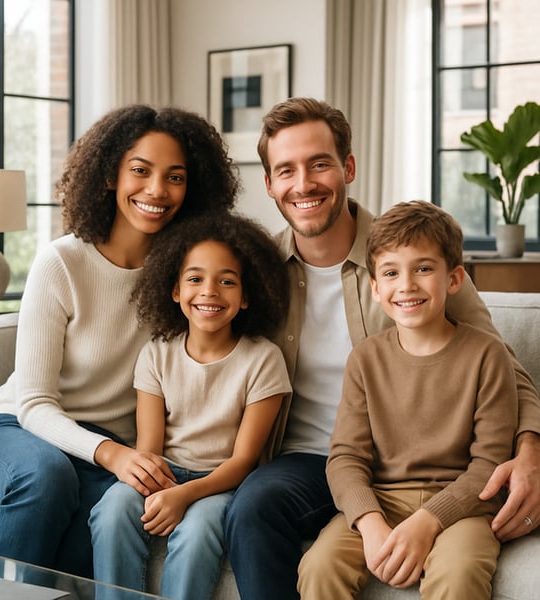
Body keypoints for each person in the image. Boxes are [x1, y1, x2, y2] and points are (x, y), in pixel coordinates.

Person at [223, 97, 540, 600]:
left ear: (347, 167)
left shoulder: (410, 254)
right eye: (286, 170)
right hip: (311, 460)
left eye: (319, 163)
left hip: (414, 465)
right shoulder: (257, 269)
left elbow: (505, 368)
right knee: (253, 506)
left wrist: (530, 451)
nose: (303, 184)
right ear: (269, 184)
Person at [0, 104, 240, 580]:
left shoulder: (188, 281)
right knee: (48, 478)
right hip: (17, 427)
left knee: (106, 513)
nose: (157, 190)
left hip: (109, 447)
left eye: (175, 176)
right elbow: (33, 402)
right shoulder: (62, 263)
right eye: (140, 170)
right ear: (110, 175)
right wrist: (112, 455)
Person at [297, 200, 518, 598]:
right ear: (376, 289)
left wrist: (429, 520)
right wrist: (369, 522)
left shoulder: (488, 354)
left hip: (463, 507)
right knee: (319, 566)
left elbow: (490, 463)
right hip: (382, 498)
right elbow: (345, 457)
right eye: (391, 273)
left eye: (423, 268)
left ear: (453, 279)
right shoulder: (365, 359)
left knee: (459, 574)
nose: (407, 285)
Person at [89, 212, 292, 600]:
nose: (210, 291)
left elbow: (244, 461)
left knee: (198, 533)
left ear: (247, 296)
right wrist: (156, 486)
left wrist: (185, 495)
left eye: (227, 281)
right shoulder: (155, 355)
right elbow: (149, 447)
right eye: (195, 279)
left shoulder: (264, 360)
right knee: (112, 509)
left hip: (224, 482)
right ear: (175, 290)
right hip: (165, 470)